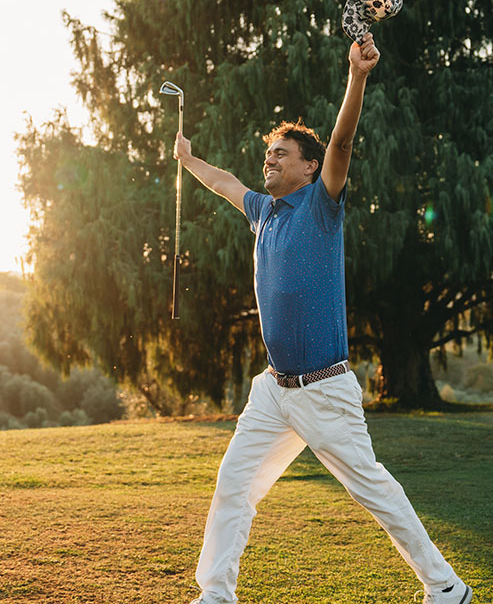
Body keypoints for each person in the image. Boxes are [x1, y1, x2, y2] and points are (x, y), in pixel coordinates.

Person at [174, 33, 473, 604]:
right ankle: (215, 595)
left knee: (372, 489)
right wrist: (189, 161)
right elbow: (225, 182)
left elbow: (342, 141)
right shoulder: (264, 211)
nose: (269, 159)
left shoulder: (321, 204)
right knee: (234, 485)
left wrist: (356, 76)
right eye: (268, 153)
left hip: (324, 389)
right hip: (273, 391)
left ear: (309, 167)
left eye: (281, 154)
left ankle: (446, 588)